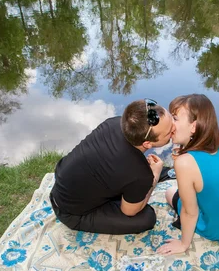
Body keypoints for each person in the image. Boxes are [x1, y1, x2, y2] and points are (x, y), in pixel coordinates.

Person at [50, 99, 174, 234]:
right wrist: (154, 177)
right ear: (147, 144)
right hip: (71, 212)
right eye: (168, 132)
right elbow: (130, 212)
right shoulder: (140, 174)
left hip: (63, 185)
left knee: (135, 181)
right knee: (147, 217)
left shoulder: (114, 122)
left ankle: (166, 174)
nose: (174, 128)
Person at [157, 94, 219, 256]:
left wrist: (183, 244)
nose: (170, 123)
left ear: (193, 127)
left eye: (174, 118)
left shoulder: (184, 162)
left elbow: (190, 212)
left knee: (170, 193)